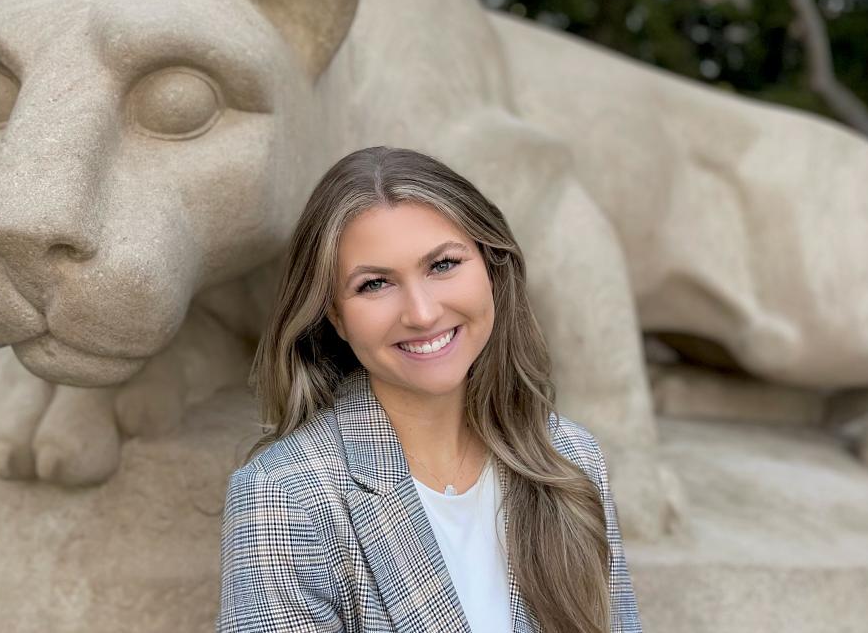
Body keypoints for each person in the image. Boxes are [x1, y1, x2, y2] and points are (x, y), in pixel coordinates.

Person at [217, 146, 642, 633]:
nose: (421, 313)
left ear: (490, 267)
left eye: (442, 265)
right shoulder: (282, 496)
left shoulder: (571, 456)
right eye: (375, 284)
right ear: (334, 315)